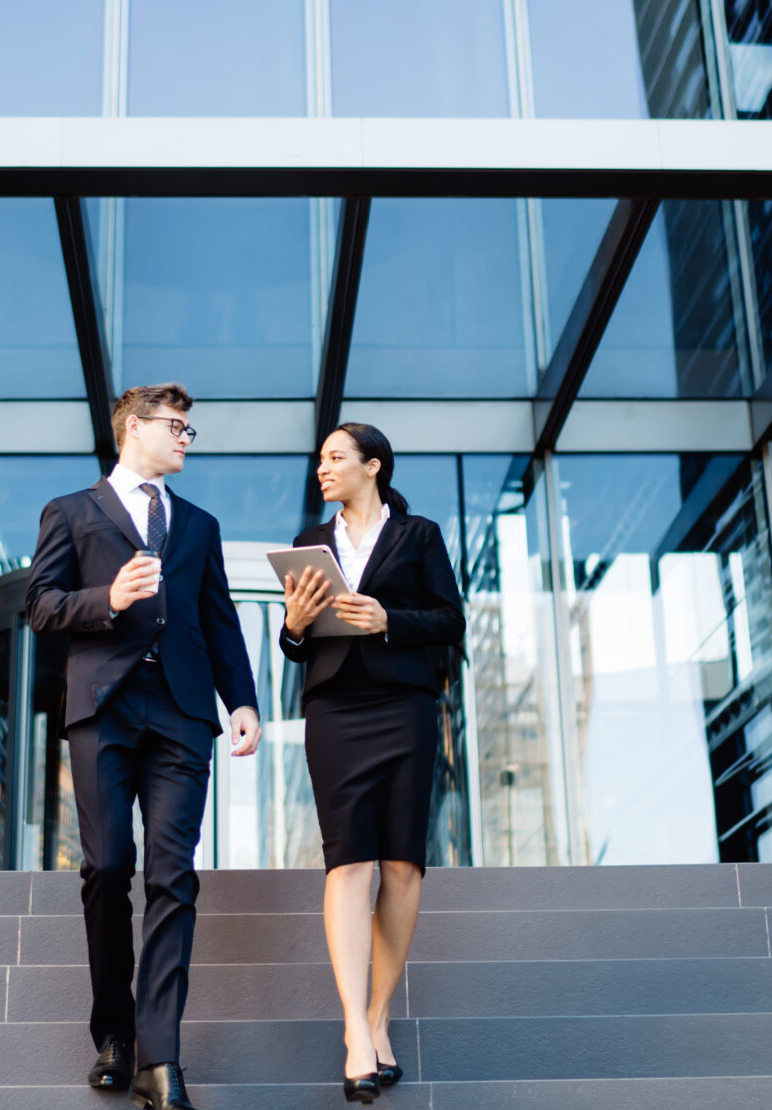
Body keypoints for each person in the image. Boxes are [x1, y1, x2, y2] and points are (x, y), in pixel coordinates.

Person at [26, 383, 263, 1110]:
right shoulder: (71, 511)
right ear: (134, 427)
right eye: (177, 426)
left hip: (184, 713)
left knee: (173, 876)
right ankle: (117, 1035)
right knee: (107, 867)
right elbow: (41, 605)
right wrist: (111, 601)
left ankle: (160, 1056)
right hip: (103, 707)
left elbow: (218, 619)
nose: (187, 437)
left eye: (192, 428)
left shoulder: (198, 524)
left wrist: (243, 700)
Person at [278, 423, 465, 1104]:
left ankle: (380, 1016)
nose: (322, 468)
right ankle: (358, 1030)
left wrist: (389, 619)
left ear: (372, 466)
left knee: (401, 866)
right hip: (335, 712)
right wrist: (294, 625)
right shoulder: (308, 543)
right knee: (348, 861)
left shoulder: (419, 538)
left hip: (405, 708)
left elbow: (450, 619)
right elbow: (293, 643)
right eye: (321, 459)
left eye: (335, 458)